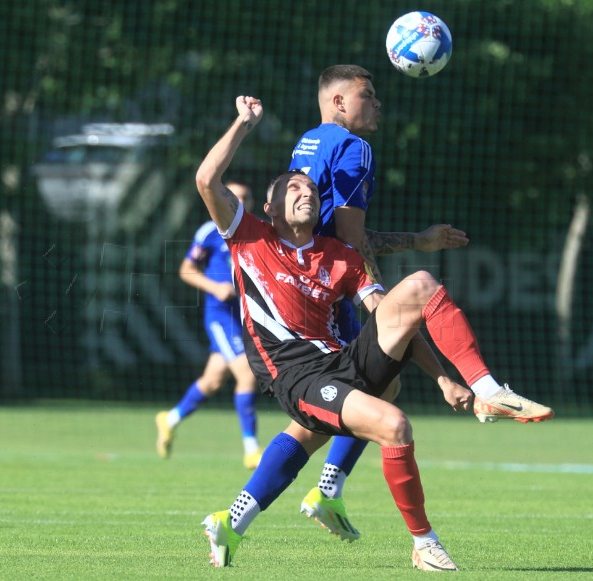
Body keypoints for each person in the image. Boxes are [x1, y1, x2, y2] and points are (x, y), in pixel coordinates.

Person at [196, 96, 554, 571]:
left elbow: (394, 320)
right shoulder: (250, 236)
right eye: (294, 187)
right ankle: (423, 543)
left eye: (311, 188)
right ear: (270, 206)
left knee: (421, 285)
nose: (306, 191)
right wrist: (243, 123)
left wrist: (445, 379)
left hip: (339, 361)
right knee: (393, 424)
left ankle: (487, 389)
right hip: (295, 375)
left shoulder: (340, 256)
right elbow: (206, 180)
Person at [288, 64, 555, 541]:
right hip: (334, 294)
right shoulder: (354, 147)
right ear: (338, 103)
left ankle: (313, 495)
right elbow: (351, 238)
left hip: (308, 288)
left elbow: (337, 234)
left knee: (369, 394)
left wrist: (417, 240)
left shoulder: (307, 142)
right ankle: (254, 511)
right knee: (339, 405)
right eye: (367, 95)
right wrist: (373, 294)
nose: (378, 104)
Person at [155, 181, 263, 469]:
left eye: (246, 196)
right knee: (247, 374)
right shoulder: (210, 232)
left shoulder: (256, 233)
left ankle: (171, 418)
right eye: (234, 196)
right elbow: (186, 270)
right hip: (221, 317)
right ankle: (251, 449)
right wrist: (215, 287)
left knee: (214, 380)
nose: (240, 201)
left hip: (245, 317)